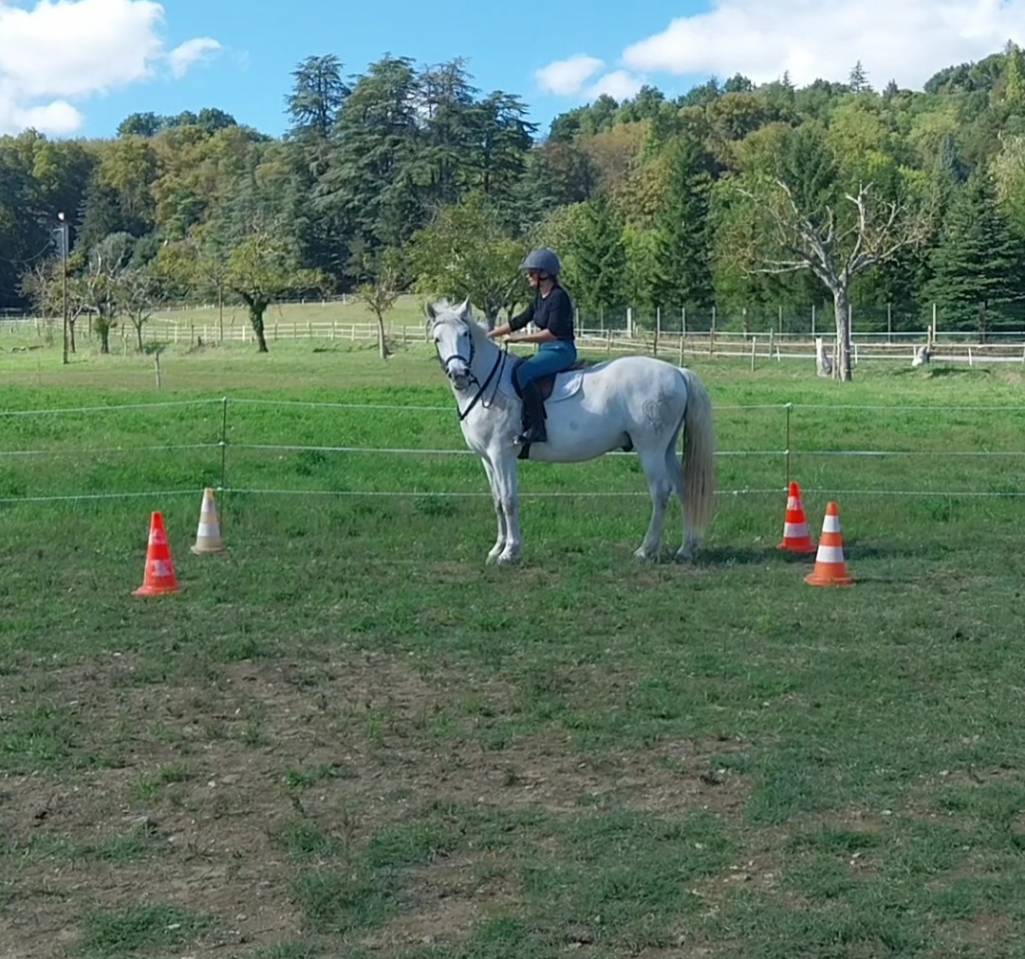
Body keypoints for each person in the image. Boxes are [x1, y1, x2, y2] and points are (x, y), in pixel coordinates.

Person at [488, 248, 576, 444]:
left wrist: (518, 339)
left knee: (523, 373)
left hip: (561, 350)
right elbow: (518, 321)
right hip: (546, 350)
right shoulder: (538, 298)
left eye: (531, 272)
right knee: (516, 369)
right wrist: (489, 335)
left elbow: (552, 333)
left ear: (544, 274)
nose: (528, 276)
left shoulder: (559, 298)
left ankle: (538, 429)